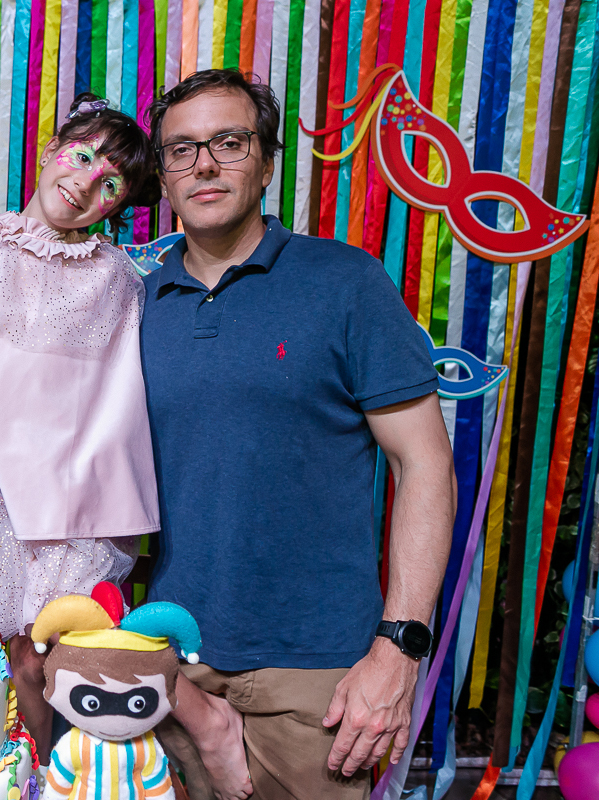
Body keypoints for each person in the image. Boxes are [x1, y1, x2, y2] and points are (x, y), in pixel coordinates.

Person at [141, 69, 456, 800]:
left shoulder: (345, 283)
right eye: (182, 150)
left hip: (320, 672)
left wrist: (398, 649)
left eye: (228, 141)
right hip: (170, 658)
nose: (205, 164)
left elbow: (425, 467)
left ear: (267, 158)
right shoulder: (135, 296)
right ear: (161, 175)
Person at [0, 92, 162, 754]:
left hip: (86, 485)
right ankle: (42, 770)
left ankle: (84, 771)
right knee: (21, 647)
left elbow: (114, 393)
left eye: (109, 182)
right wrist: (18, 451)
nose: (85, 181)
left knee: (70, 642)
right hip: (7, 479)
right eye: (81, 156)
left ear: (118, 205)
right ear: (49, 152)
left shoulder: (116, 274)